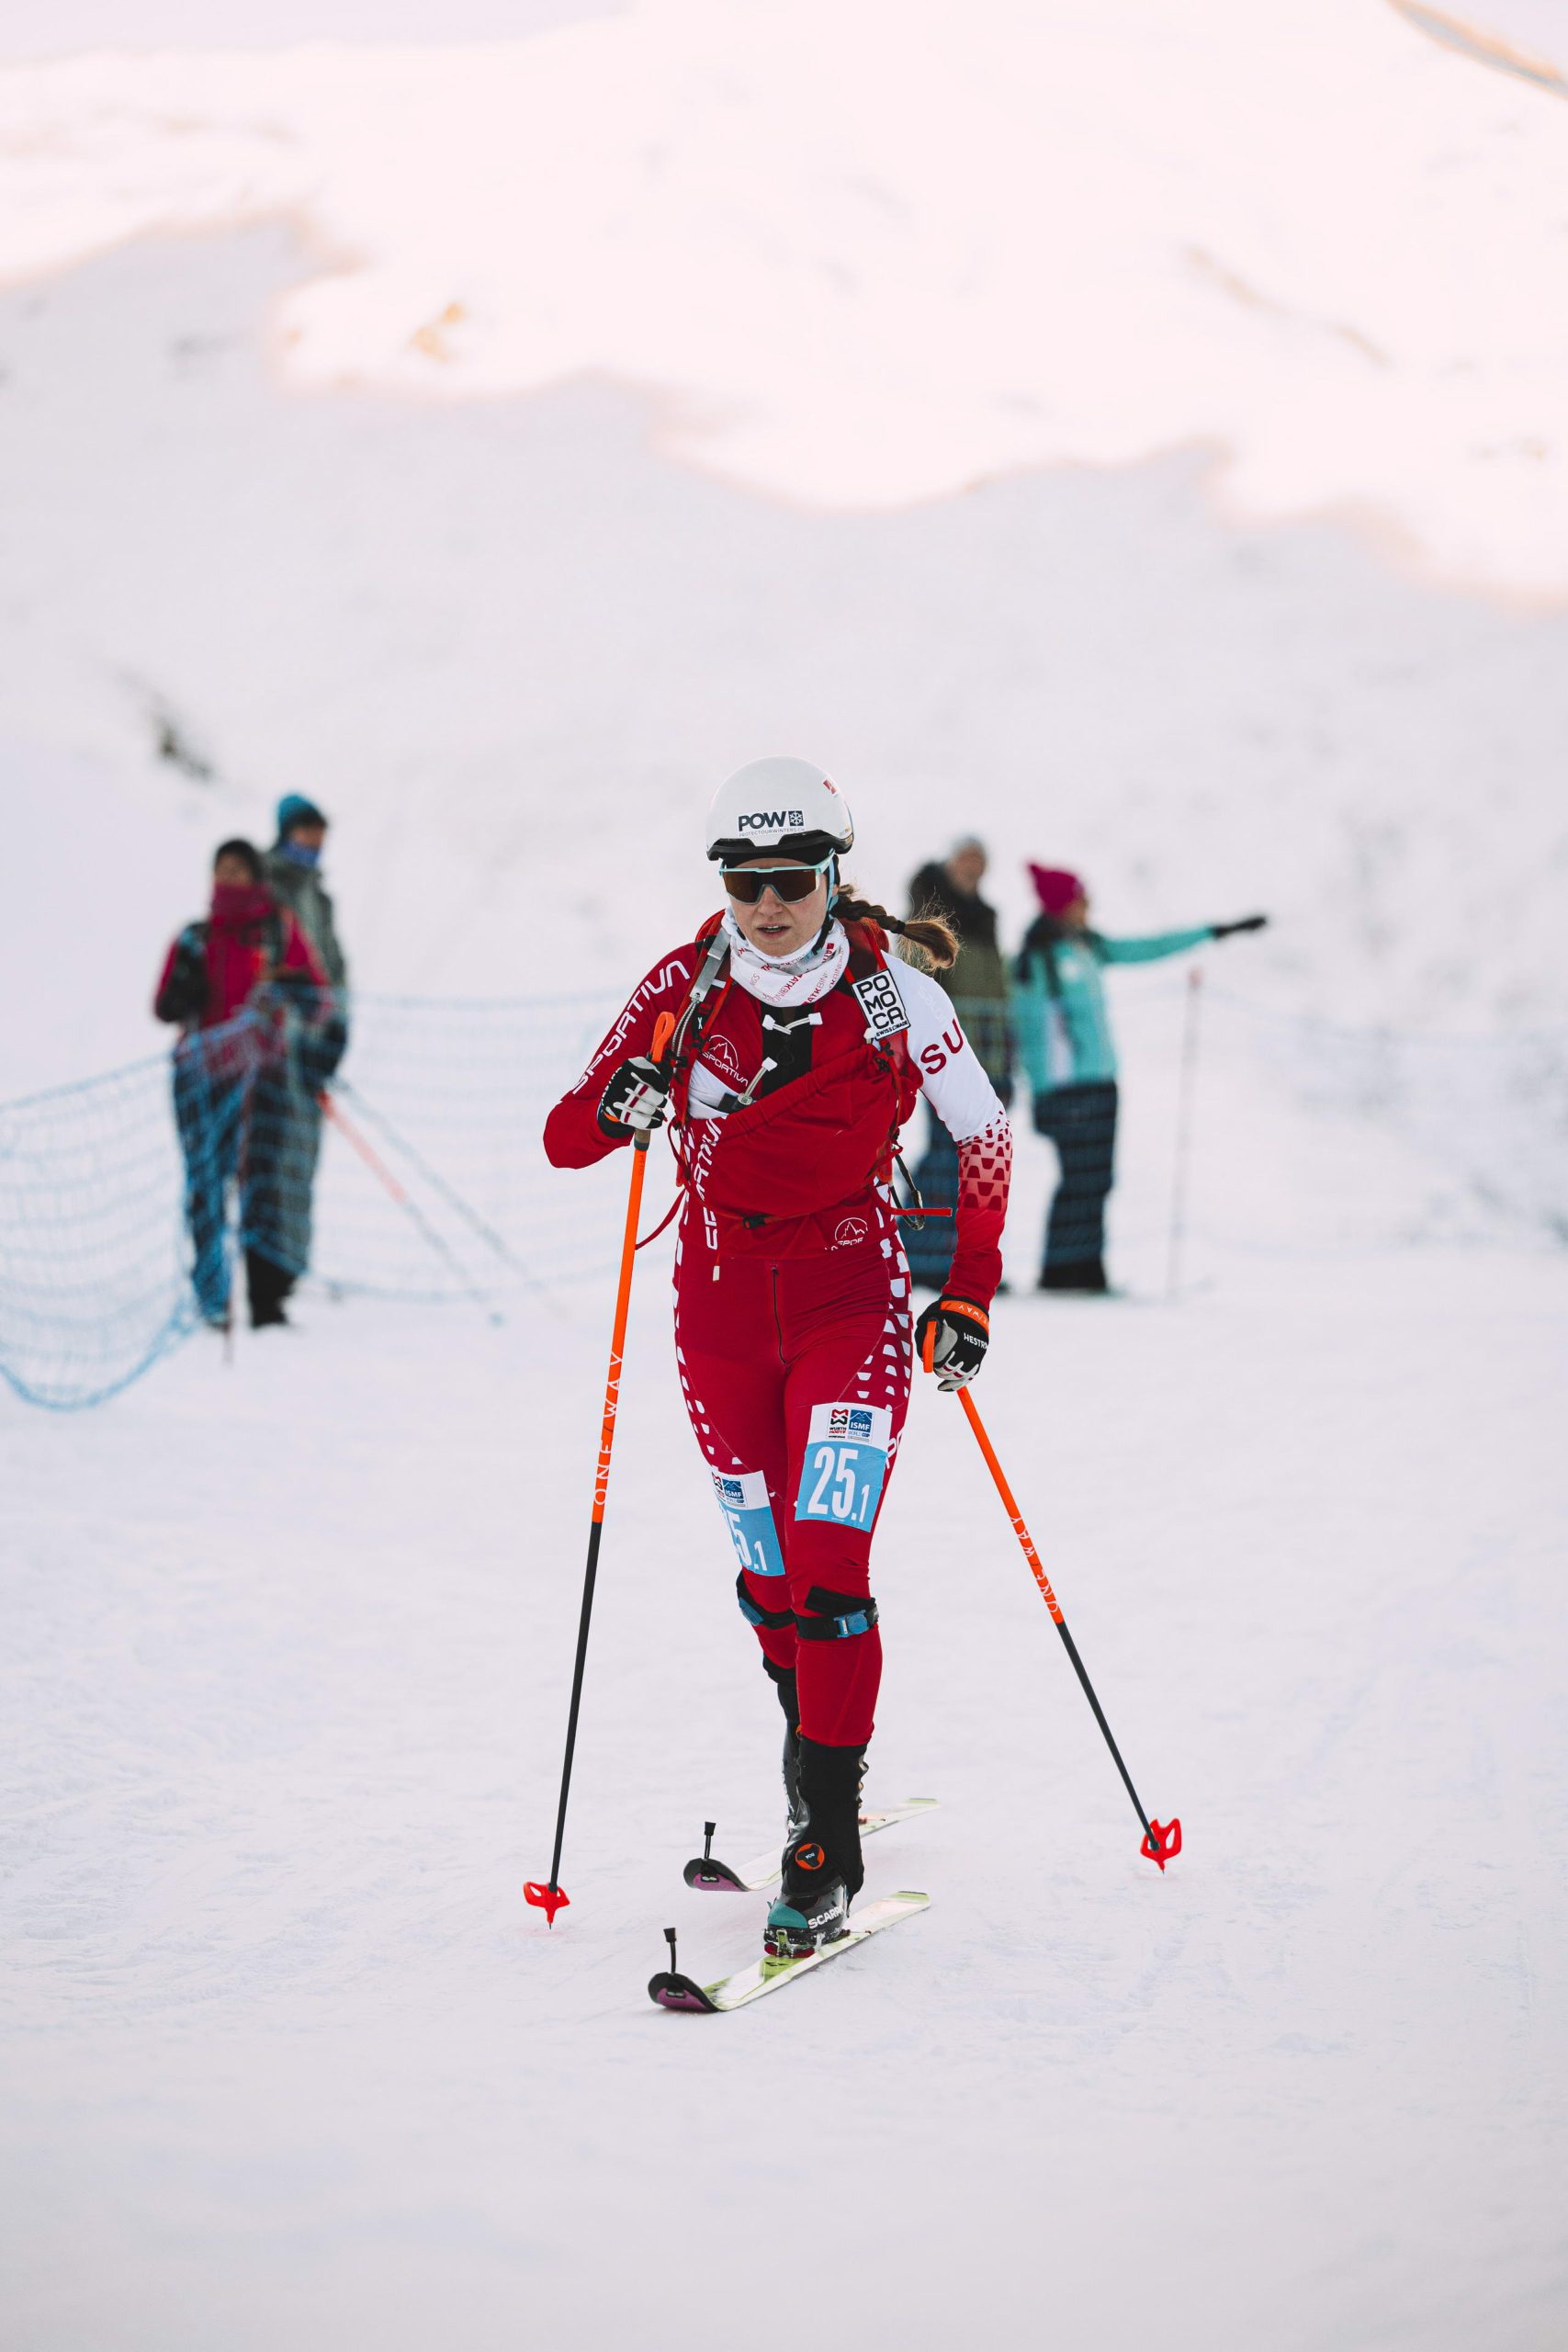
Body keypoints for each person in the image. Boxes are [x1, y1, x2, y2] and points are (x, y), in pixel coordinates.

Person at [545, 759, 1012, 1963]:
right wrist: (622, 1105)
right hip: (714, 1311)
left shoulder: (896, 995)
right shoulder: (679, 986)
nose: (767, 904)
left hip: (849, 1297)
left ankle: (823, 1835)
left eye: (790, 880)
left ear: (830, 875)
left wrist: (964, 1287)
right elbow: (563, 1137)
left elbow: (983, 1135)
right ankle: (818, 1761)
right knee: (765, 1583)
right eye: (745, 881)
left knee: (826, 1563)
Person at [1014, 865, 1266, 1294]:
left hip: (1100, 1084)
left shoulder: (1089, 947)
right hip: (1066, 1091)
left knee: (1097, 1180)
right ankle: (1061, 1274)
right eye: (1080, 899)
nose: (1088, 907)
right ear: (1062, 906)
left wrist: (1212, 932)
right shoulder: (1034, 962)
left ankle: (1086, 1272)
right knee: (1078, 1180)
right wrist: (1043, 1090)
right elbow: (1029, 1032)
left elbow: (1148, 948)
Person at [153, 838, 330, 1329]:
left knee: (258, 1184)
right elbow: (162, 1006)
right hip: (196, 1077)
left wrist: (294, 991)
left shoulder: (276, 931)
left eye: (238, 869)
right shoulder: (194, 937)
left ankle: (265, 1298)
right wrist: (182, 992)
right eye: (221, 868)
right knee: (205, 1183)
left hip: (259, 1079)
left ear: (255, 877)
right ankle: (211, 1294)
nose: (228, 878)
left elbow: (317, 999)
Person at [903, 836, 1013, 1290]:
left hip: (988, 1053)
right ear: (951, 863)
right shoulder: (929, 913)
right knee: (945, 1159)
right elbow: (913, 978)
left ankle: (954, 1257)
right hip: (942, 1056)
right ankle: (924, 1253)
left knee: (973, 1158)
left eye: (980, 862)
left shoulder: (985, 919)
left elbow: (996, 988)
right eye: (968, 860)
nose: (974, 869)